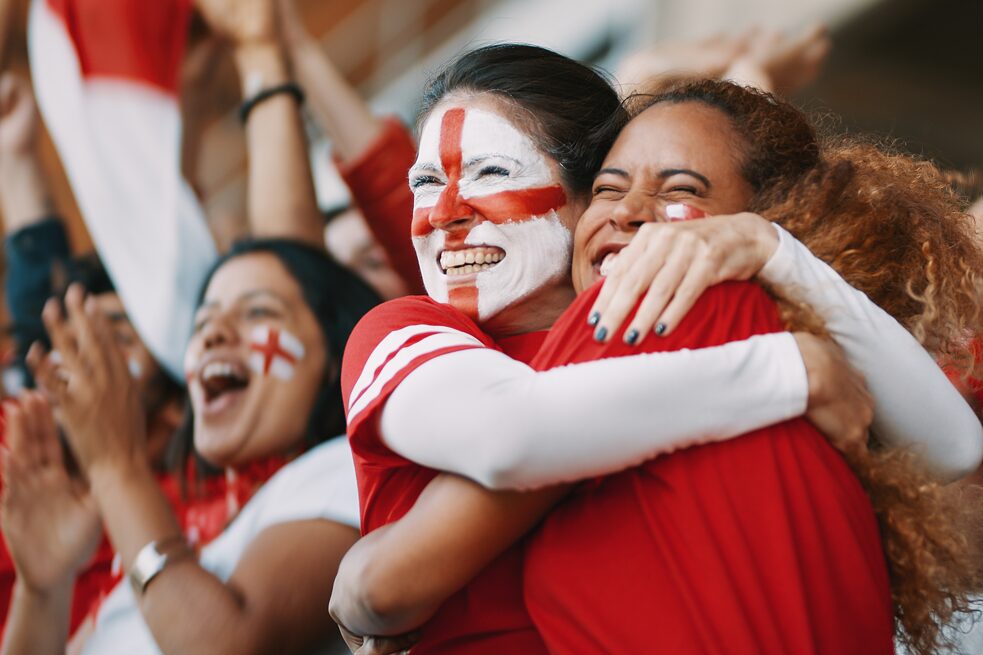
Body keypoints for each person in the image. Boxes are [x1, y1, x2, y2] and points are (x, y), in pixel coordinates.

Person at [329, 44, 983, 654]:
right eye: (422, 182)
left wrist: (776, 250)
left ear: (576, 200)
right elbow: (512, 434)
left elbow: (953, 447)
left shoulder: (720, 312)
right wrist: (790, 369)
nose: (442, 210)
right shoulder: (405, 328)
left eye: (492, 170)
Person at [0, 2, 380, 652]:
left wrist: (262, 57)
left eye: (255, 315)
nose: (209, 335)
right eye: (202, 320)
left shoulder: (342, 471)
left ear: (339, 357)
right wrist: (42, 589)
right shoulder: (137, 526)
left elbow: (293, 267)